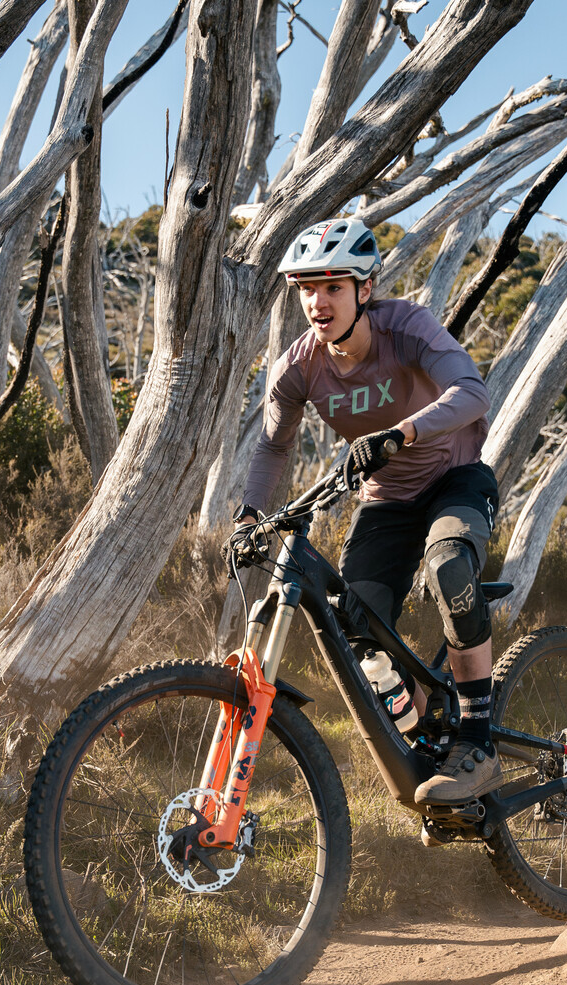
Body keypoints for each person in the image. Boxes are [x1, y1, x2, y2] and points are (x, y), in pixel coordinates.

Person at [234, 217, 500, 805]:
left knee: (451, 566)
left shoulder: (406, 328)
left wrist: (400, 434)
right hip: (385, 502)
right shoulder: (299, 367)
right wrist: (249, 517)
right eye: (307, 287)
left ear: (365, 288)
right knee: (352, 631)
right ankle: (428, 738)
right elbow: (273, 447)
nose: (317, 301)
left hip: (454, 479)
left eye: (332, 286)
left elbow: (473, 392)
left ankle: (477, 742)